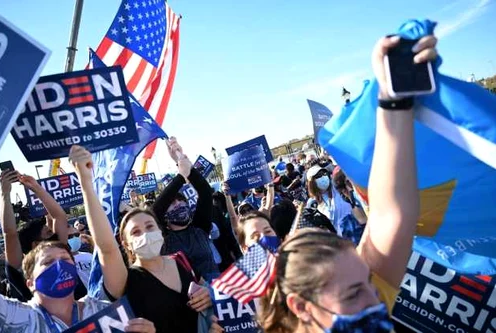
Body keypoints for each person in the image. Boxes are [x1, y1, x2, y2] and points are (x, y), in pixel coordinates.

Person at [257, 33, 434, 332]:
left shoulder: (363, 310)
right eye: (353, 293)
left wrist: (392, 98)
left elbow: (392, 212)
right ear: (301, 307)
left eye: (368, 281)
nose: (376, 298)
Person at [69, 145, 215, 332]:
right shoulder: (125, 279)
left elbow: (207, 297)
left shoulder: (180, 261)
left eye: (149, 226)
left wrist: (209, 295)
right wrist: (86, 182)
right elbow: (106, 247)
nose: (145, 233)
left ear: (160, 231)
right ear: (125, 243)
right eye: (135, 232)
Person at [0, 241, 155, 332]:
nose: (60, 266)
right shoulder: (15, 318)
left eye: (65, 259)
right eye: (48, 262)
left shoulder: (105, 312)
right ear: (30, 284)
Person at [151, 137, 219, 281]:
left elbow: (205, 192)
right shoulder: (163, 238)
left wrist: (180, 159)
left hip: (215, 294)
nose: (178, 204)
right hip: (188, 300)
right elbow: (155, 210)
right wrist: (181, 176)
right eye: (172, 203)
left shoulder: (200, 228)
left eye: (181, 200)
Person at [0, 171, 70, 302]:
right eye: (48, 233)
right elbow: (10, 233)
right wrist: (5, 194)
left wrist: (36, 187)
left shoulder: (61, 254)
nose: (53, 236)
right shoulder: (22, 270)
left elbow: (59, 216)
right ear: (35, 244)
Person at [306, 164, 366, 245]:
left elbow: (338, 171)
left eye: (324, 174)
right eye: (318, 176)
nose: (323, 177)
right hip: (343, 238)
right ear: (311, 181)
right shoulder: (313, 203)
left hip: (357, 225)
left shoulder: (336, 189)